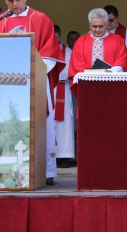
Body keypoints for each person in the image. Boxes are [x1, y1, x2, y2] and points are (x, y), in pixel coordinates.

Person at [0, 0, 65, 185]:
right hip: (7, 86)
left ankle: (47, 172)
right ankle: (8, 173)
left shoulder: (40, 19)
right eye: (10, 1)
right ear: (5, 0)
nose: (15, 4)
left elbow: (50, 53)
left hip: (36, 83)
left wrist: (33, 71)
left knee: (43, 125)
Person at [68, 8, 127, 96]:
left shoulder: (118, 40)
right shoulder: (80, 41)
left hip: (112, 85)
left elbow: (122, 61)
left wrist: (108, 74)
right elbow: (77, 64)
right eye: (94, 26)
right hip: (88, 86)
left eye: (101, 26)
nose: (97, 30)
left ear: (106, 25)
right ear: (90, 25)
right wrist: (92, 76)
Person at [53, 25, 75, 168]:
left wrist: (53, 73)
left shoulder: (68, 52)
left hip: (63, 88)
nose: (54, 40)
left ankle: (65, 156)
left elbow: (70, 69)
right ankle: (52, 155)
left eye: (56, 37)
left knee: (65, 123)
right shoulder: (43, 51)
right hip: (49, 89)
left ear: (60, 36)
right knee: (50, 123)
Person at [103, 5, 127, 71]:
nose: (108, 23)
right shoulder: (95, 33)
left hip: (121, 72)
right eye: (106, 20)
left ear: (117, 18)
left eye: (111, 20)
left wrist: (116, 65)